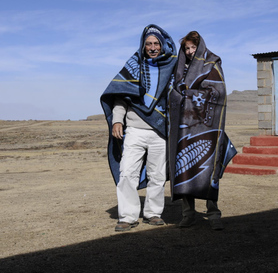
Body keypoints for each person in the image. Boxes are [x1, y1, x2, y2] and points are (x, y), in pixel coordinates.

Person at [100, 24, 177, 232]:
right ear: (143, 46)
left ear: (162, 45)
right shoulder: (134, 65)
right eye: (149, 43)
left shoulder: (172, 66)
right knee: (127, 172)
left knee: (157, 175)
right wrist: (117, 120)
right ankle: (127, 216)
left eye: (156, 43)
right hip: (134, 129)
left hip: (160, 132)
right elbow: (121, 95)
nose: (152, 47)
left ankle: (153, 214)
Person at [168, 31, 237, 230]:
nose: (189, 52)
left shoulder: (212, 63)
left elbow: (219, 92)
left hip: (207, 127)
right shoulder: (179, 69)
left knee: (209, 169)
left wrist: (187, 95)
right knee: (183, 169)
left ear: (200, 47)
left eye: (192, 48)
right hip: (183, 128)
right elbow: (173, 92)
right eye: (186, 48)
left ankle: (213, 214)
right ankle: (188, 214)